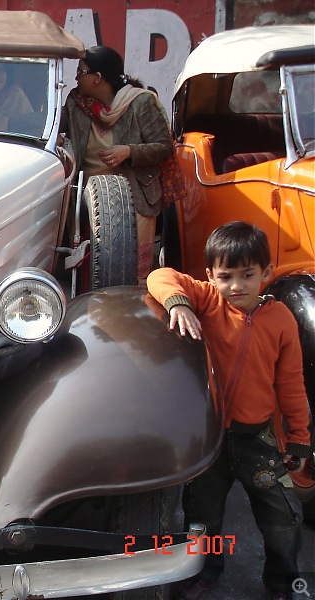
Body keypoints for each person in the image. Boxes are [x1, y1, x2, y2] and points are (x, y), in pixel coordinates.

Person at [146, 221, 311, 600]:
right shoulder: (208, 300)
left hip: (260, 442)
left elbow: (292, 385)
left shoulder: (282, 320)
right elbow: (160, 275)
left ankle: (283, 583)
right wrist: (179, 303)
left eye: (248, 275)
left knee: (284, 518)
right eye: (225, 276)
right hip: (212, 438)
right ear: (210, 276)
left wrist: (300, 440)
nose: (236, 286)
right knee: (202, 518)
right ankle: (204, 572)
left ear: (266, 273)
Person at [60, 46, 173, 279]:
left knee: (130, 274)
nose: (75, 77)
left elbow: (165, 148)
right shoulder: (76, 103)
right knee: (90, 271)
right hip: (87, 203)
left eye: (81, 72)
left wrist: (129, 152)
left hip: (134, 200)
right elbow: (54, 129)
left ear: (98, 78)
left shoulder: (141, 103)